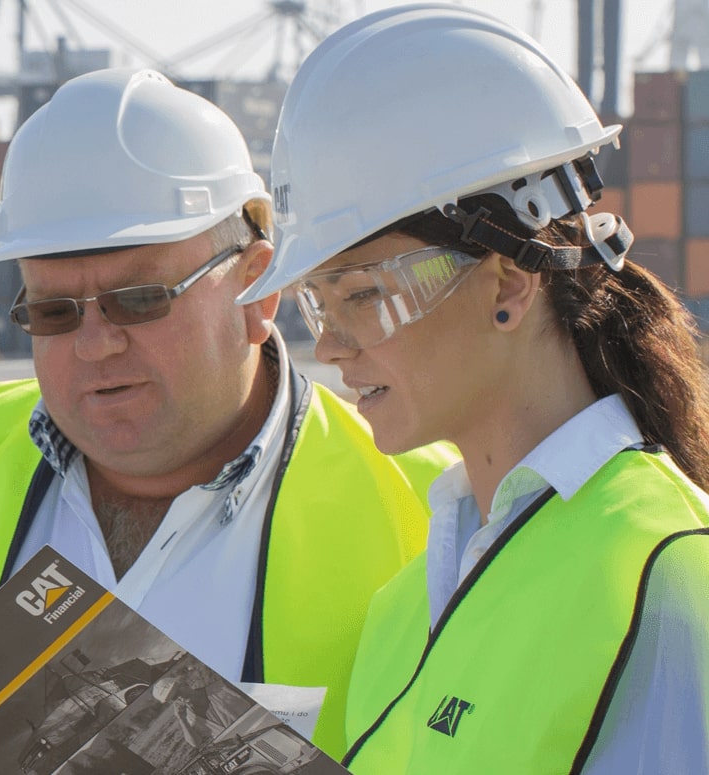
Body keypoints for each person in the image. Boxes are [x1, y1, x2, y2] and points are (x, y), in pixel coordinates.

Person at [0, 66, 455, 771]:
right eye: (54, 312)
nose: (95, 345)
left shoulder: (431, 512)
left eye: (140, 300)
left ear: (257, 289)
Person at [238, 5, 709, 773]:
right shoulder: (402, 609)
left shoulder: (672, 573)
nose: (327, 345)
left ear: (509, 283)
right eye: (318, 304)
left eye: (362, 294)